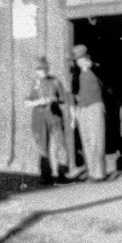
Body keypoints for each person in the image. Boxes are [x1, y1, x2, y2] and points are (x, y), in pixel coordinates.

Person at [24, 56, 69, 184]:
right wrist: (39, 101)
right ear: (36, 70)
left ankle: (62, 173)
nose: (42, 71)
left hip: (54, 116)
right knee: (42, 146)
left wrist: (54, 100)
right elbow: (26, 102)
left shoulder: (55, 82)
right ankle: (46, 175)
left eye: (44, 69)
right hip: (39, 117)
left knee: (60, 144)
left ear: (48, 69)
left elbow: (63, 100)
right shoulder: (33, 83)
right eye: (39, 69)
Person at [71, 44, 106, 182]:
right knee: (86, 141)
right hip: (82, 109)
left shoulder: (97, 69)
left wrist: (92, 66)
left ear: (87, 57)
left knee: (96, 140)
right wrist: (75, 111)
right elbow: (74, 92)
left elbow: (105, 80)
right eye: (77, 60)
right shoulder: (76, 74)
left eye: (82, 59)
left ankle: (99, 174)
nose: (80, 62)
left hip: (94, 107)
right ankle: (92, 172)